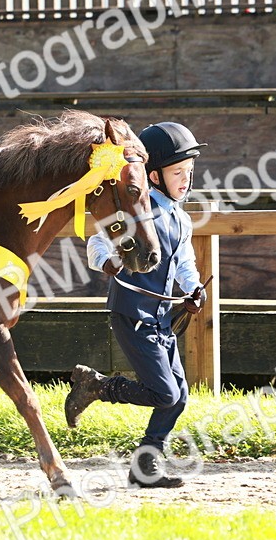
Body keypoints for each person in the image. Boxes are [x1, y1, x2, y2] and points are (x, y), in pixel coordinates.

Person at [65, 121, 207, 489]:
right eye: (178, 173)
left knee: (177, 398)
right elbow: (98, 245)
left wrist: (192, 289)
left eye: (189, 172)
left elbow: (185, 261)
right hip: (132, 313)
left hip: (161, 317)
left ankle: (145, 469)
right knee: (165, 393)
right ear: (154, 177)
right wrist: (109, 263)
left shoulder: (182, 217)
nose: (185, 180)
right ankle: (96, 386)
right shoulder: (137, 211)